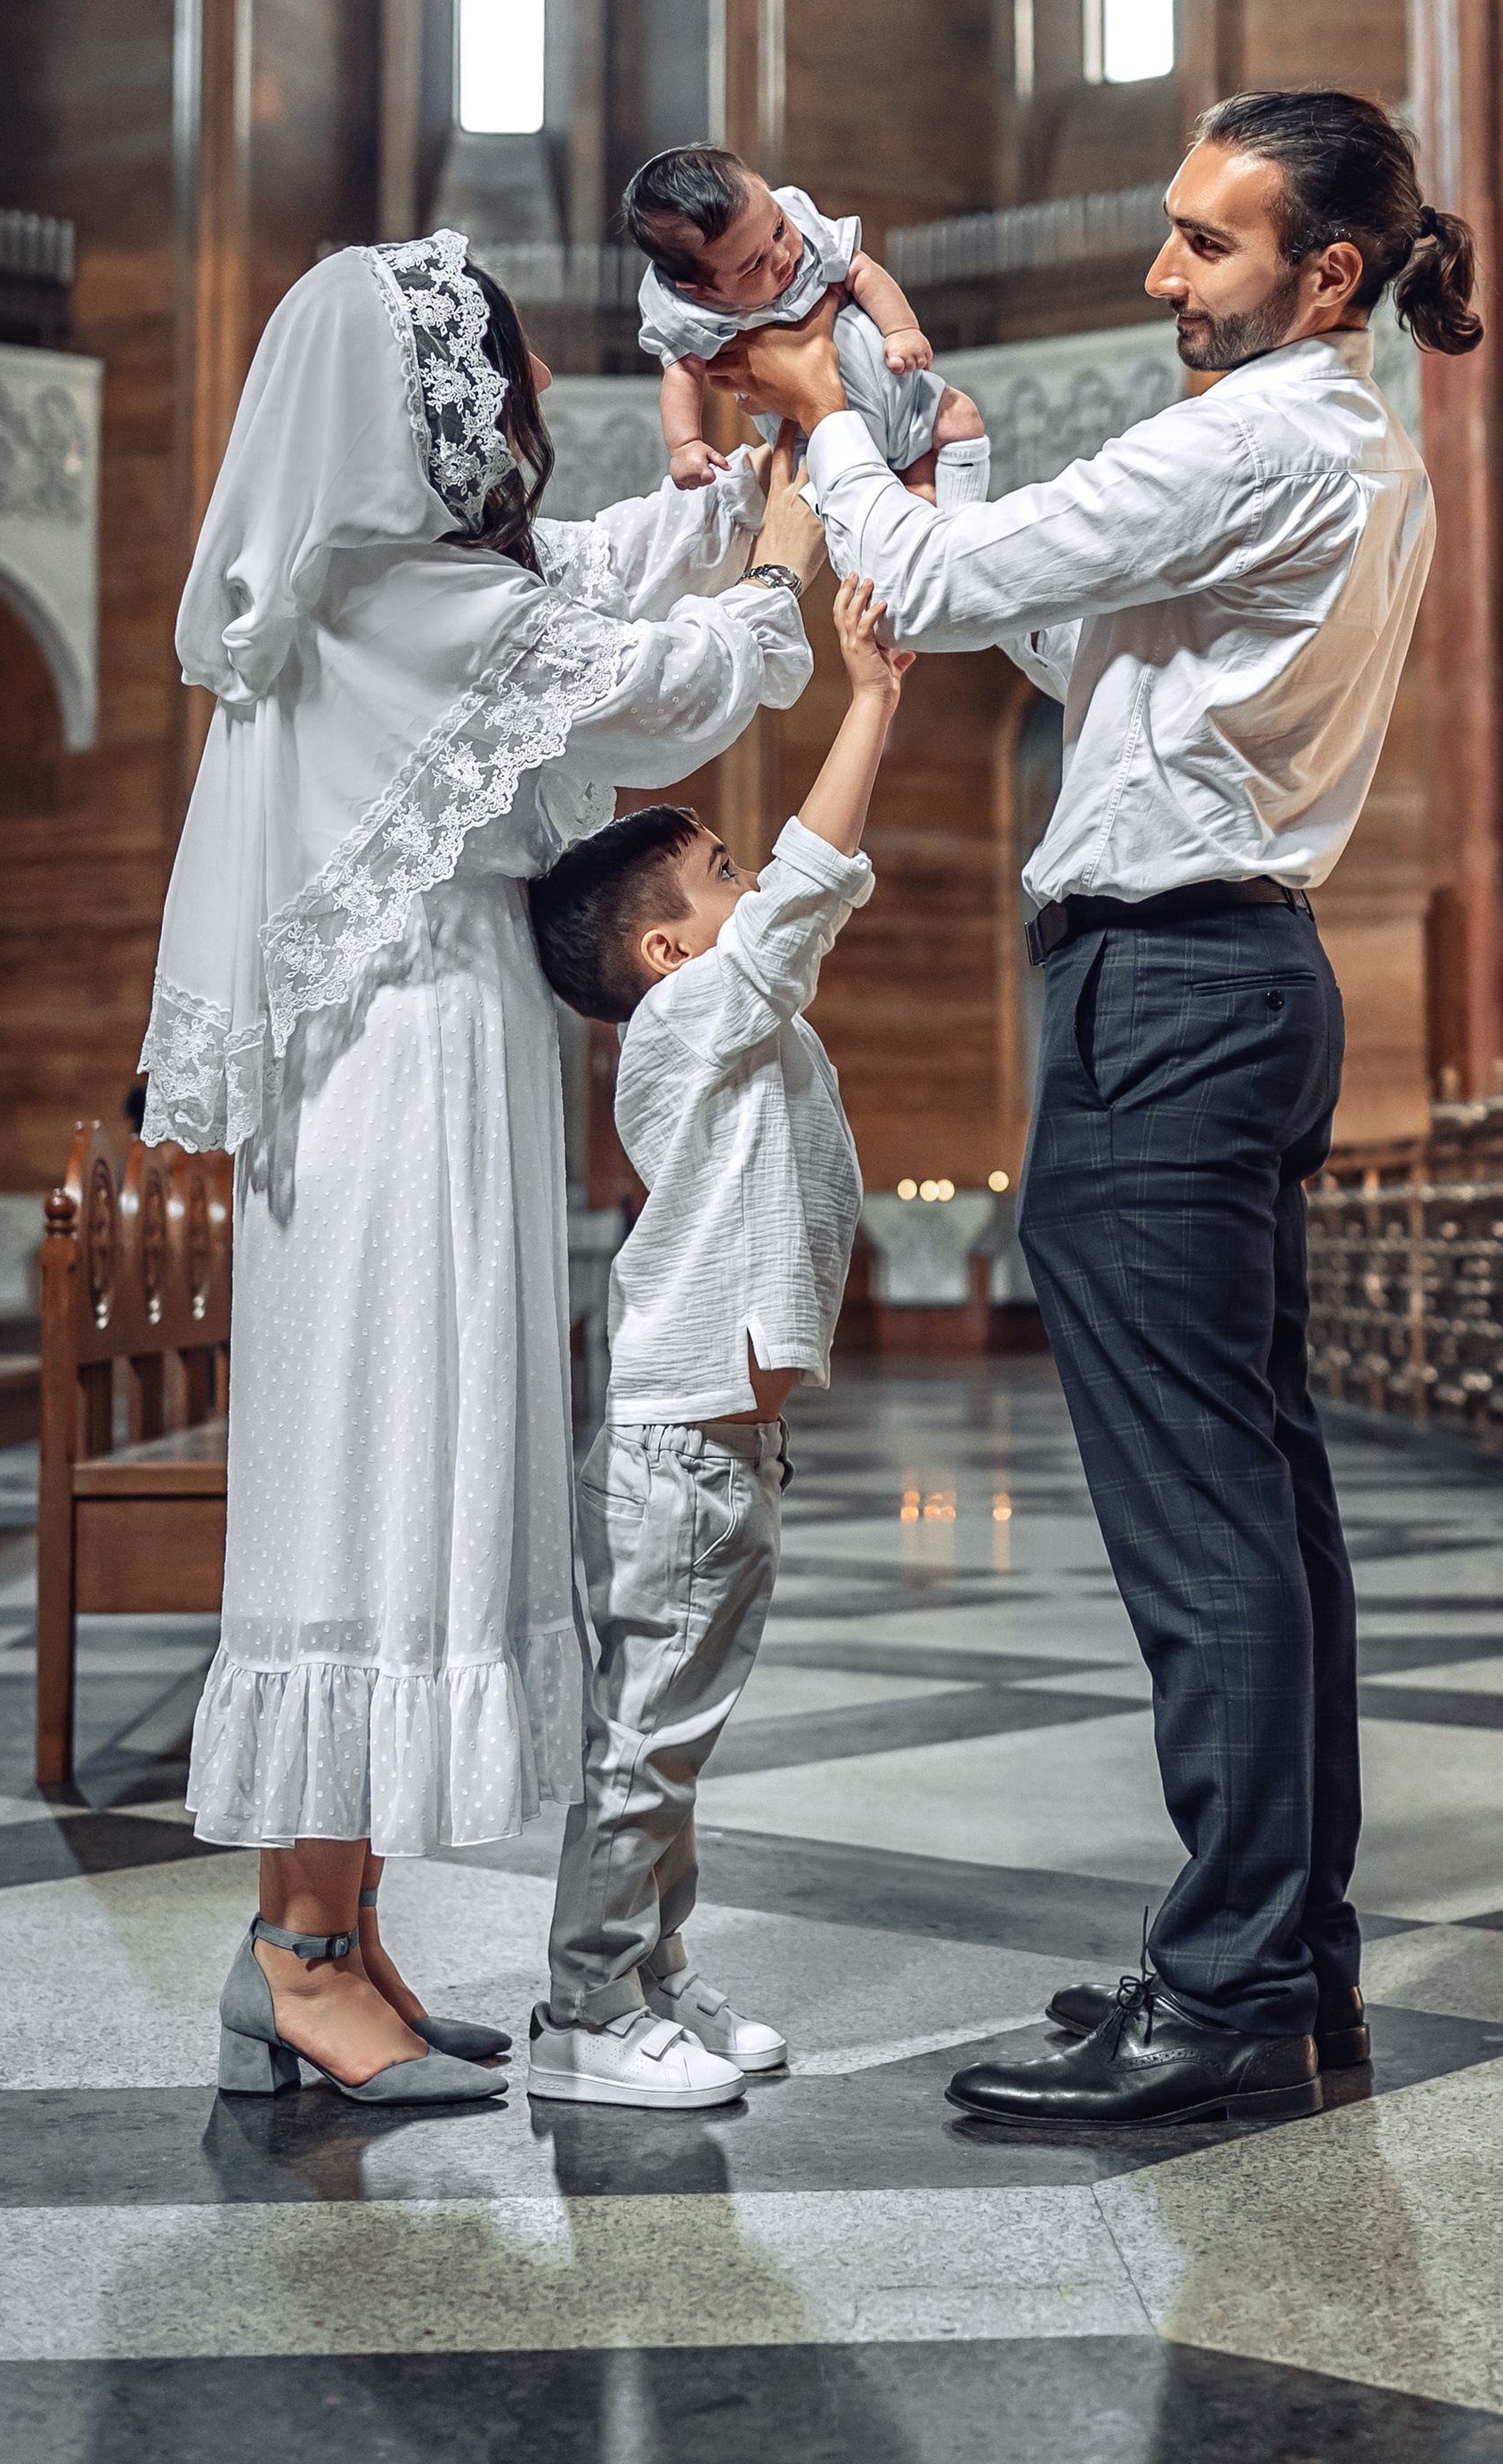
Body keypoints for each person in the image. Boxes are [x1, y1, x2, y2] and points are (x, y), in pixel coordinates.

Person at [727, 89, 1482, 2131]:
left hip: (1161, 991)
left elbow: (964, 591)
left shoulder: (1264, 425)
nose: (1158, 273)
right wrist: (940, 448)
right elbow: (1073, 636)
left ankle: (1231, 1983)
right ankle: (1280, 1960)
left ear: (1323, 274)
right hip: (1226, 978)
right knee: (1263, 1500)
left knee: (1201, 1519)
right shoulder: (1344, 439)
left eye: (1201, 243)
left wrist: (818, 411)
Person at [137, 226, 824, 2106]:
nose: (523, 398)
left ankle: (335, 1939)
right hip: (392, 1088)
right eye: (500, 371)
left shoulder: (412, 583)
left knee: (409, 1464)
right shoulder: (396, 598)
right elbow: (665, 688)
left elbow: (594, 573)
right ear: (418, 406)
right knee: (378, 1475)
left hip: (436, 1062)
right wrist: (782, 557)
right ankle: (297, 1955)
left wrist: (710, 468)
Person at [519, 573, 907, 2108]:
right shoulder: (693, 1023)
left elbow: (788, 921)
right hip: (683, 1445)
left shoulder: (722, 1015)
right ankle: (584, 2016)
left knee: (679, 1730)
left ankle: (658, 1980)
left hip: (722, 1440)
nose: (751, 885)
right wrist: (869, 700)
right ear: (668, 957)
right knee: (650, 1739)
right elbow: (812, 893)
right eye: (722, 873)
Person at [622, 147, 987, 506]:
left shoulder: (803, 229)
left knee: (960, 419)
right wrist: (685, 445)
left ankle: (958, 525)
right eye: (754, 265)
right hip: (811, 436)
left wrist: (901, 329)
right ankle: (909, 516)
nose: (782, 257)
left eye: (779, 229)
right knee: (820, 500)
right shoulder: (690, 314)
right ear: (700, 291)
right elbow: (683, 372)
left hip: (900, 396)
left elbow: (860, 269)